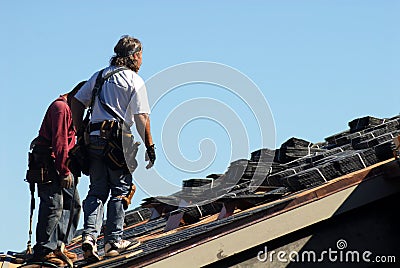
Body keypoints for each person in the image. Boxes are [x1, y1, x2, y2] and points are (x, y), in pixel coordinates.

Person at [71, 35, 156, 261]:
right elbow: (141, 118)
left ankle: (89, 237)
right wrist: (150, 146)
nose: (141, 61)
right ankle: (113, 241)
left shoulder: (99, 76)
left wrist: (80, 132)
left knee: (97, 191)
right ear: (134, 56)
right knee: (119, 191)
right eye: (140, 56)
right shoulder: (134, 81)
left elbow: (77, 102)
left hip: (94, 140)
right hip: (118, 143)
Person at [28, 82, 85, 266]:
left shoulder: (71, 110)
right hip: (50, 161)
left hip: (60, 162)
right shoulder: (61, 108)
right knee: (53, 204)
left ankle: (59, 245)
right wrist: (64, 170)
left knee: (73, 203)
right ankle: (45, 249)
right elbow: (59, 142)